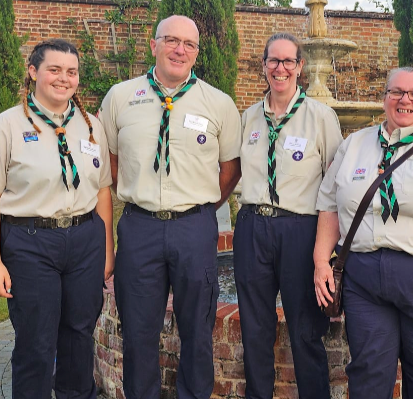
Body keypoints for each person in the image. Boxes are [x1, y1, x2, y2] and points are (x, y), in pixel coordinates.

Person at [98, 15, 241, 399]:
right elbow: (109, 164)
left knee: (197, 330)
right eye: (172, 40)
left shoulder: (219, 103)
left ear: (197, 52)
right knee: (138, 331)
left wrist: (201, 208)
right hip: (139, 227)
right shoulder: (120, 97)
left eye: (189, 44)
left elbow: (230, 171)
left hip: (194, 226)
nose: (180, 50)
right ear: (154, 44)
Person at [314, 67, 413, 399]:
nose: (405, 100)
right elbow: (330, 206)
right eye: (396, 92)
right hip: (364, 281)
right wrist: (320, 262)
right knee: (367, 373)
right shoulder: (354, 145)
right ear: (385, 97)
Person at [0, 39, 114, 398]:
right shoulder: (7, 125)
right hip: (30, 243)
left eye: (71, 72)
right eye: (54, 70)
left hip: (85, 240)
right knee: (36, 341)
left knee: (80, 337)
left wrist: (107, 251)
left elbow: (103, 192)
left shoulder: (91, 126)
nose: (63, 79)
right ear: (34, 72)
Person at [234, 32, 343, 399]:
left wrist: (329, 247)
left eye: (288, 61)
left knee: (305, 327)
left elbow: (334, 180)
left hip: (300, 228)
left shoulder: (321, 117)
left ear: (300, 67)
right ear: (264, 66)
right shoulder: (248, 117)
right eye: (273, 61)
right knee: (255, 326)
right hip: (252, 227)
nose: (280, 68)